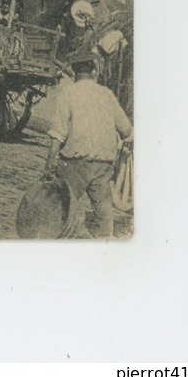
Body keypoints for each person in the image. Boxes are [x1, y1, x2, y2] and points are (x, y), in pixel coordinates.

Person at [44, 49, 133, 238]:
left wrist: (50, 161)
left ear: (75, 73)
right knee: (103, 211)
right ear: (94, 71)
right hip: (103, 165)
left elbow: (58, 133)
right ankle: (105, 240)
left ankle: (57, 240)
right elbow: (126, 130)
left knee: (63, 207)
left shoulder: (67, 94)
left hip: (75, 164)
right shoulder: (107, 95)